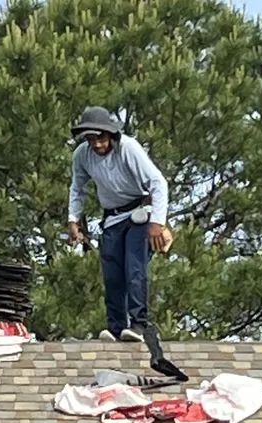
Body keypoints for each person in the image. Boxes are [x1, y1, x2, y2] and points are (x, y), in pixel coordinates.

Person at [67, 106, 187, 381]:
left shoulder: (128, 148)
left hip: (139, 214)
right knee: (111, 272)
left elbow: (158, 182)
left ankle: (139, 323)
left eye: (101, 138)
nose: (97, 144)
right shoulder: (82, 156)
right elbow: (77, 187)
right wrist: (73, 219)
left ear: (110, 134)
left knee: (135, 268)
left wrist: (158, 221)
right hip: (112, 217)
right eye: (92, 139)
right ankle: (117, 325)